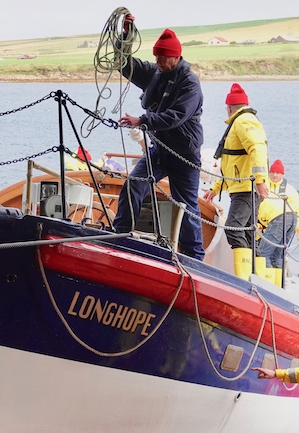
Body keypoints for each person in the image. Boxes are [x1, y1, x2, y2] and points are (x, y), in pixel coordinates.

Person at [114, 13, 205, 260]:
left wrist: (142, 120)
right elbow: (124, 64)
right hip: (160, 151)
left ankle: (195, 258)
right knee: (134, 184)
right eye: (156, 57)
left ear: (176, 57)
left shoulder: (190, 84)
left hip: (185, 156)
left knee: (185, 207)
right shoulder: (155, 73)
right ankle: (119, 235)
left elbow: (176, 116)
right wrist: (126, 35)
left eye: (163, 58)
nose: (158, 61)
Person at [203, 83, 269, 279]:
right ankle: (258, 278)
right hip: (243, 187)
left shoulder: (243, 121)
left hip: (246, 188)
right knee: (248, 234)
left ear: (229, 107)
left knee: (234, 229)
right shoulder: (240, 121)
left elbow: (257, 149)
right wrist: (216, 188)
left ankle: (245, 280)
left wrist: (260, 180)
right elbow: (233, 162)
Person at [256, 159, 299, 286]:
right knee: (277, 255)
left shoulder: (290, 190)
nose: (275, 175)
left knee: (263, 253)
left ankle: (266, 286)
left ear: (283, 174)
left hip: (280, 218)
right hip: (285, 219)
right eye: (273, 172)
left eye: (278, 173)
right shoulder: (264, 183)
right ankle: (278, 286)